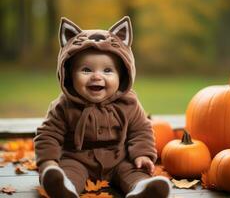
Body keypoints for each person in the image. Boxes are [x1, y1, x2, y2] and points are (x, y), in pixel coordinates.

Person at [34, 16, 171, 198]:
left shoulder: (128, 103)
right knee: (69, 171)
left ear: (122, 75)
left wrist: (143, 155)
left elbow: (141, 130)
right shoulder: (64, 106)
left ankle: (143, 189)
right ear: (68, 75)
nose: (97, 77)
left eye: (107, 70)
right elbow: (48, 134)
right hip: (77, 158)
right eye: (86, 70)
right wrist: (48, 163)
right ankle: (62, 186)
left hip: (118, 159)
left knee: (132, 171)